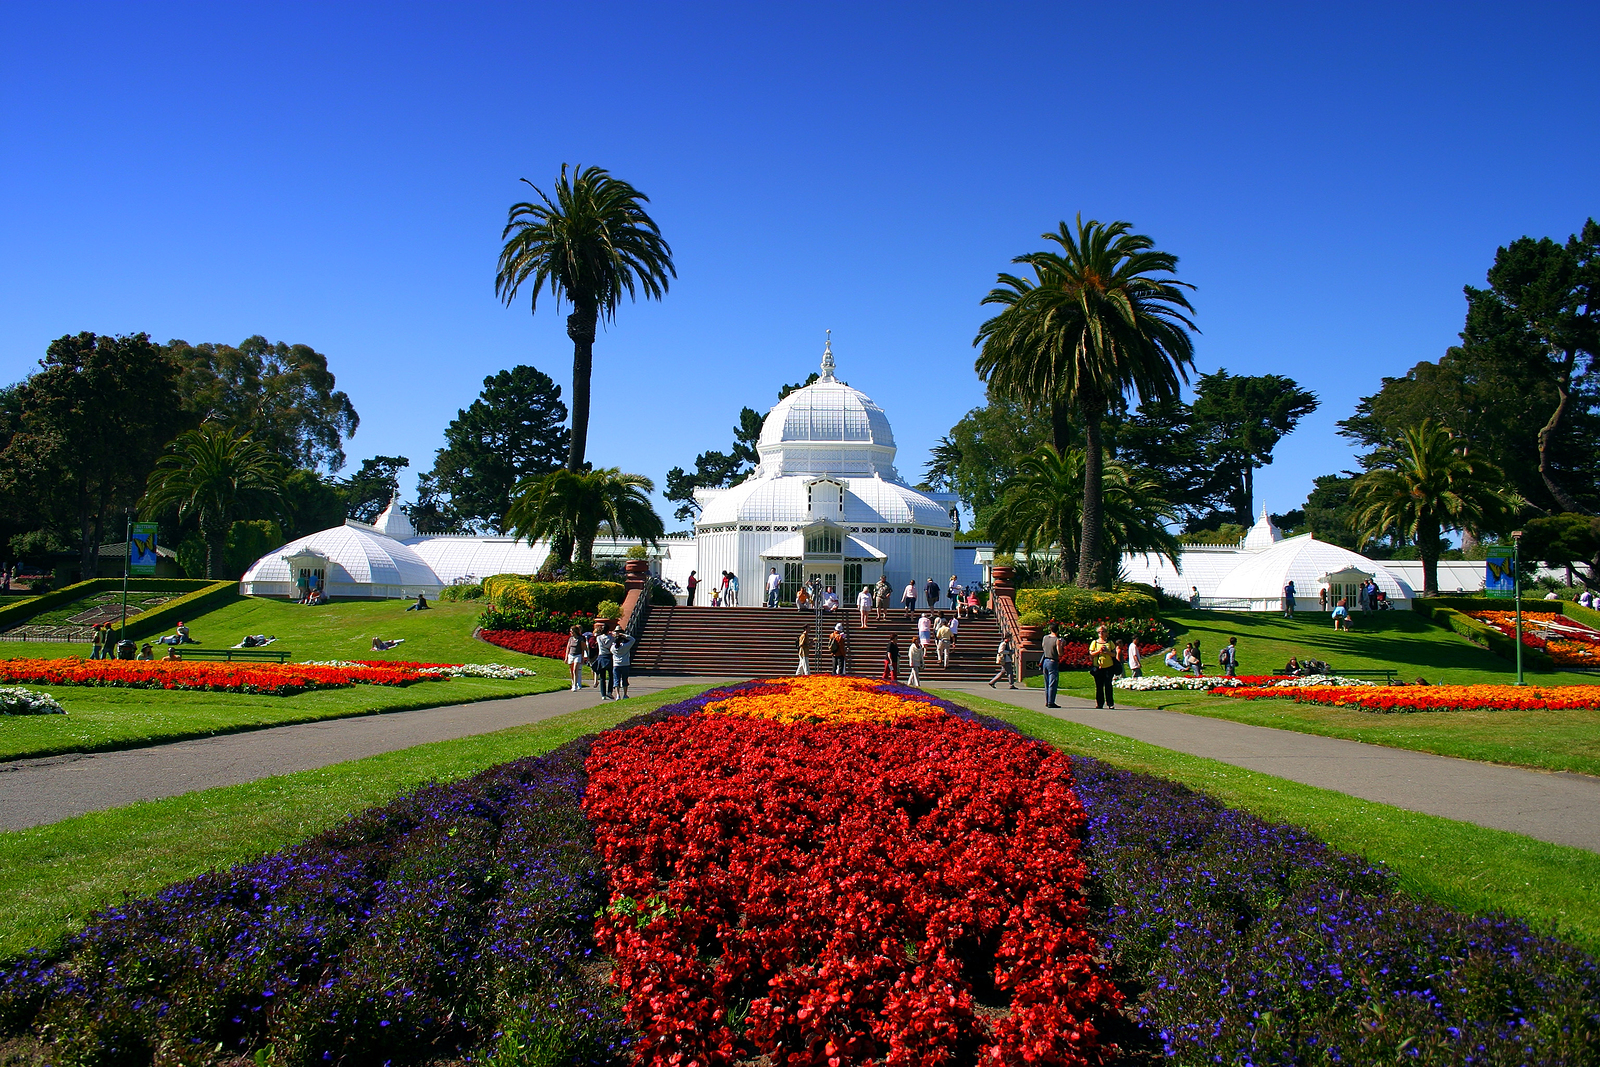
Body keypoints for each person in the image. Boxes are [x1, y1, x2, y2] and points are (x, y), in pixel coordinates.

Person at [1088, 624, 1117, 709]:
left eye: (1103, 631)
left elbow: (1114, 654)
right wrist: (1099, 651)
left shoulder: (1110, 643)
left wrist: (1107, 652)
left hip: (1108, 667)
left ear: (1106, 633)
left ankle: (1110, 703)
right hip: (1098, 667)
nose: (1101, 633)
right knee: (1099, 686)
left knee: (1108, 685)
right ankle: (1099, 703)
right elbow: (1091, 654)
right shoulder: (1095, 642)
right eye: (1099, 632)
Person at [1040, 623, 1062, 709]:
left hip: (1045, 660)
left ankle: (1047, 700)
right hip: (1053, 661)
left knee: (1046, 682)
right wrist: (1061, 645)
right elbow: (1060, 653)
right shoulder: (1057, 640)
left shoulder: (1045, 638)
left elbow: (1043, 647)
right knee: (1052, 682)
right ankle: (1051, 702)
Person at [611, 630, 635, 699]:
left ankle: (617, 694)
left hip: (616, 664)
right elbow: (632, 640)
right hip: (625, 664)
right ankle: (625, 694)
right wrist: (624, 635)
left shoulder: (613, 648)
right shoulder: (625, 646)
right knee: (625, 679)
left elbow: (611, 650)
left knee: (616, 680)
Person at [564, 626, 585, 691]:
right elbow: (568, 648)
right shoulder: (570, 639)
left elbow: (583, 648)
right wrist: (566, 657)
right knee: (571, 670)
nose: (570, 632)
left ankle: (575, 685)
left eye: (572, 631)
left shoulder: (580, 639)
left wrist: (582, 657)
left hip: (578, 655)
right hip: (571, 655)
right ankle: (573, 682)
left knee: (575, 669)